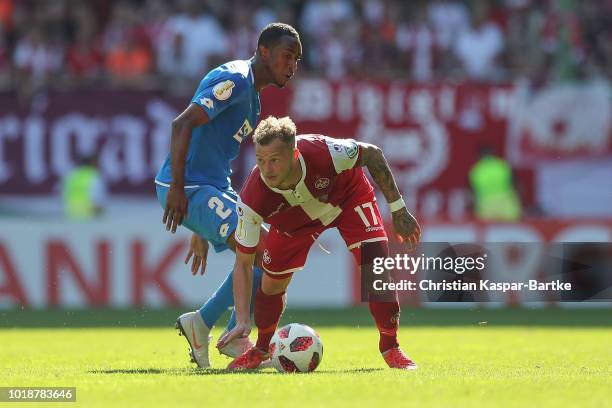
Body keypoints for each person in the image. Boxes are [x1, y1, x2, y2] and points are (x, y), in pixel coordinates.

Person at [216, 116, 421, 370]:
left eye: (274, 160)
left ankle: (391, 347)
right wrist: (243, 320)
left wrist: (398, 210)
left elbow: (374, 154)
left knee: (376, 269)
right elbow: (243, 263)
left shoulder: (325, 151)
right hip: (294, 221)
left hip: (348, 199)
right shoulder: (252, 198)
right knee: (271, 284)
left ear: (293, 154)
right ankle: (261, 349)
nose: (266, 170)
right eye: (260, 160)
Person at [155, 23, 302, 368]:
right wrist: (180, 189)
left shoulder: (253, 98)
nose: (292, 65)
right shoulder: (235, 79)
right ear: (264, 52)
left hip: (210, 188)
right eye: (286, 56)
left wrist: (201, 228)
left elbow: (215, 152)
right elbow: (182, 124)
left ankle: (203, 323)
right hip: (188, 188)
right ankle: (234, 335)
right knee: (265, 249)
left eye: (297, 59)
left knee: (263, 253)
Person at [469, 145, 522, 221]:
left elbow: (472, 194)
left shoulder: (476, 171)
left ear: (478, 156)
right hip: (508, 208)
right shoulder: (503, 166)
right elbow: (517, 186)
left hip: (486, 211)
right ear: (493, 154)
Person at [62, 153, 106, 220]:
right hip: (89, 215)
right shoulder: (94, 176)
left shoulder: (71, 175)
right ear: (92, 163)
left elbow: (64, 195)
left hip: (71, 214)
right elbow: (98, 200)